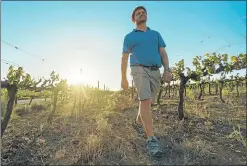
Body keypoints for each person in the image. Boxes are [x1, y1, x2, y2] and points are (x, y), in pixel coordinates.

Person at [121, 6, 172, 158]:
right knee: (145, 100)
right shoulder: (129, 37)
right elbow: (124, 58)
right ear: (133, 19)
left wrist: (167, 69)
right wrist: (123, 77)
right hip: (139, 69)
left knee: (147, 102)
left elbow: (163, 53)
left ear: (146, 16)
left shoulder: (156, 34)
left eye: (144, 13)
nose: (141, 14)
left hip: (155, 70)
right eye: (138, 13)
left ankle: (137, 122)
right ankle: (151, 140)